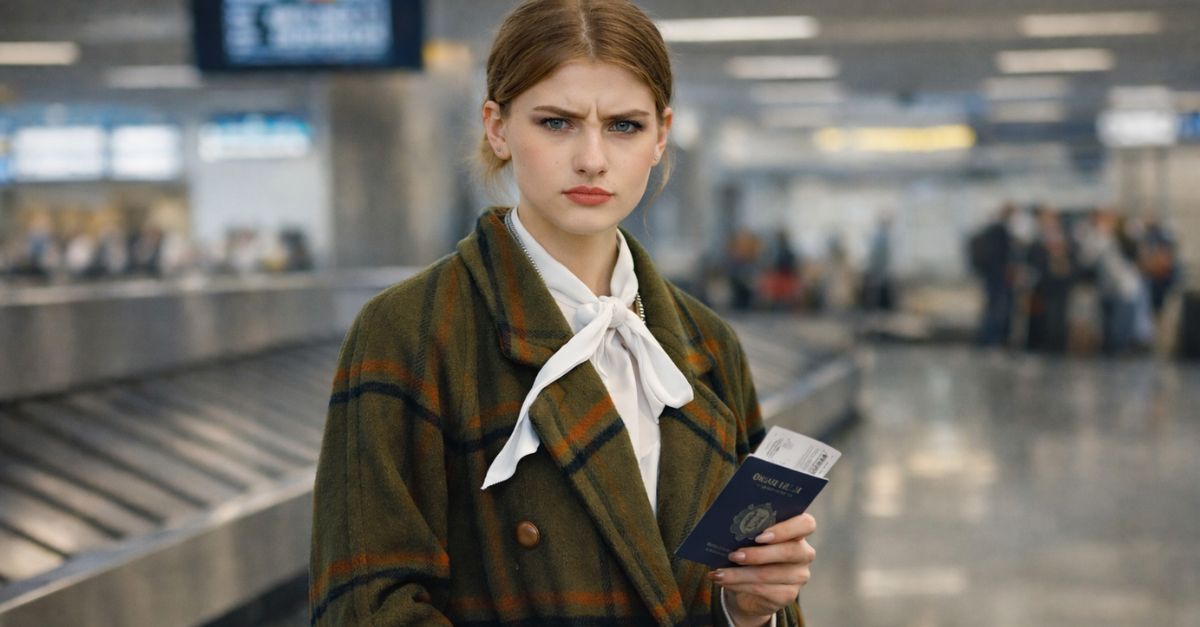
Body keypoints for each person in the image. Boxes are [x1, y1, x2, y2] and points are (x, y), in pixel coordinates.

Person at [309, 2, 816, 626]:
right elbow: (364, 607)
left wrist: (748, 610)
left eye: (624, 126)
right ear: (497, 128)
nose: (592, 159)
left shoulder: (706, 346)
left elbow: (740, 581)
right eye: (556, 123)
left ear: (661, 136)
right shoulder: (411, 332)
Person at [969, 203, 1018, 347]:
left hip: (992, 275)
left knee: (991, 306)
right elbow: (1003, 256)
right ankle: (990, 339)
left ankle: (987, 338)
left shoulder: (992, 229)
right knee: (996, 307)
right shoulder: (1000, 230)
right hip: (997, 276)